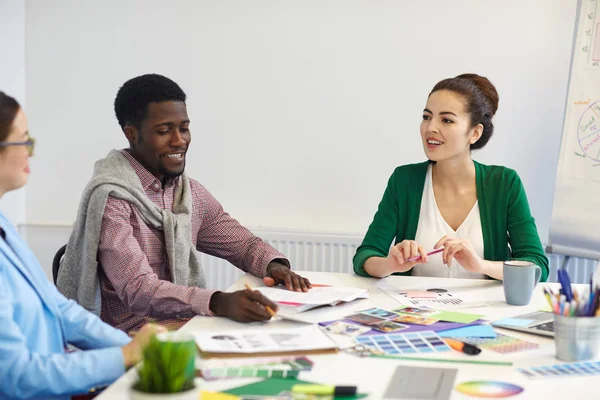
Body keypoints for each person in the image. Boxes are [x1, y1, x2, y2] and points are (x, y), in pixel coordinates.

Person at [57, 74, 311, 334]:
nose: (179, 140)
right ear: (131, 134)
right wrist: (219, 301)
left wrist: (274, 266)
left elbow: (244, 245)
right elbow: (138, 290)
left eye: (184, 128)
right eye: (164, 131)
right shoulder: (111, 200)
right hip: (126, 339)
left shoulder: (188, 194)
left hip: (184, 326)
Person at [0, 91, 166, 400]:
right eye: (22, 142)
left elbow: (58, 308)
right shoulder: (110, 196)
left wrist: (129, 346)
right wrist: (125, 356)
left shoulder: (4, 226)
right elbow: (16, 376)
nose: (29, 153)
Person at [353, 73, 549, 281]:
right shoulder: (404, 180)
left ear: (474, 133)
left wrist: (481, 265)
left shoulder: (504, 183)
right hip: (418, 312)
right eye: (427, 117)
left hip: (487, 312)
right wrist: (390, 264)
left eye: (446, 120)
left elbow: (537, 267)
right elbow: (365, 257)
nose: (431, 128)